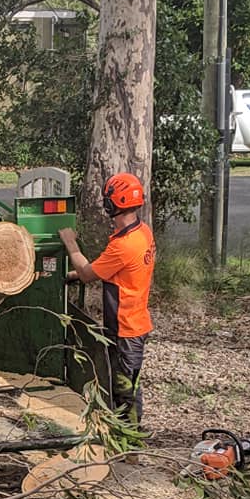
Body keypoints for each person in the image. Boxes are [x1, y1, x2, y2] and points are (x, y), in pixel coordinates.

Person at [58, 172, 156, 429]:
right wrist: (70, 275)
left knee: (124, 389)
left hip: (126, 328)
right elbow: (113, 268)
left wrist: (71, 245)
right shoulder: (142, 233)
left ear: (114, 204)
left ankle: (130, 444)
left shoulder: (125, 245)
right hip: (134, 322)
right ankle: (124, 435)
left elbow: (89, 274)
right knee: (124, 383)